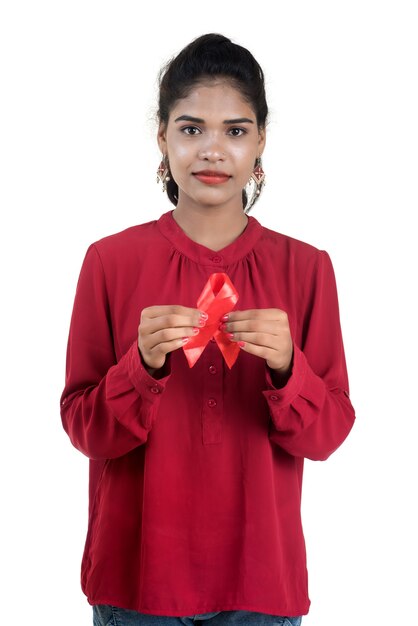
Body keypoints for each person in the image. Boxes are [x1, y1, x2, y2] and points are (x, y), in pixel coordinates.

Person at [60, 33, 355, 626]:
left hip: (260, 585)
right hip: (137, 583)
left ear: (261, 142)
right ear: (162, 139)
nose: (212, 151)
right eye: (191, 129)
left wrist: (288, 369)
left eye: (236, 131)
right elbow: (83, 429)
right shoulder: (109, 262)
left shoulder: (307, 267)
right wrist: (138, 368)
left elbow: (327, 435)